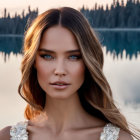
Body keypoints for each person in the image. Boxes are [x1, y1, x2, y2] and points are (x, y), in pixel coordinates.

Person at [0, 7, 139, 140]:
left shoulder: (118, 138)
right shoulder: (7, 137)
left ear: (87, 62)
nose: (60, 70)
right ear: (33, 62)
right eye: (47, 56)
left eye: (73, 57)